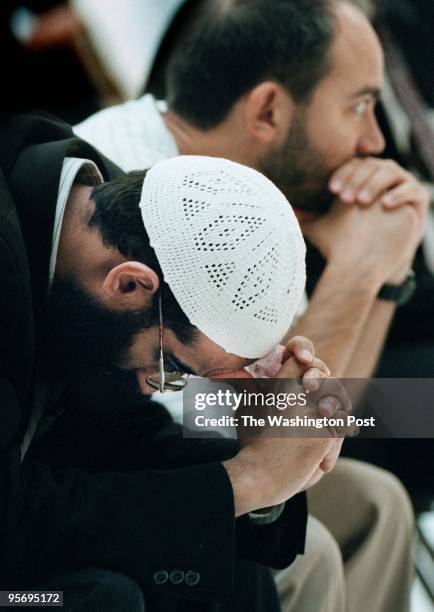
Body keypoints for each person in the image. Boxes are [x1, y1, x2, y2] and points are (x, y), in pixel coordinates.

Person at [74, 1, 421, 610]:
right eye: (359, 105)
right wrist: (362, 267)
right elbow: (252, 433)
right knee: (419, 414)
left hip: (229, 444)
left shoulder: (253, 188)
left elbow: (333, 415)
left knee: (382, 485)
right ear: (267, 110)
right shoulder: (150, 201)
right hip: (130, 478)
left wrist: (385, 273)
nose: (374, 141)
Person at [0, 111, 353, 611]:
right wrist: (247, 480)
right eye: (175, 371)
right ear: (129, 284)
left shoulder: (108, 222)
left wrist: (270, 452)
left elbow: (118, 433)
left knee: (236, 567)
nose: (153, 386)